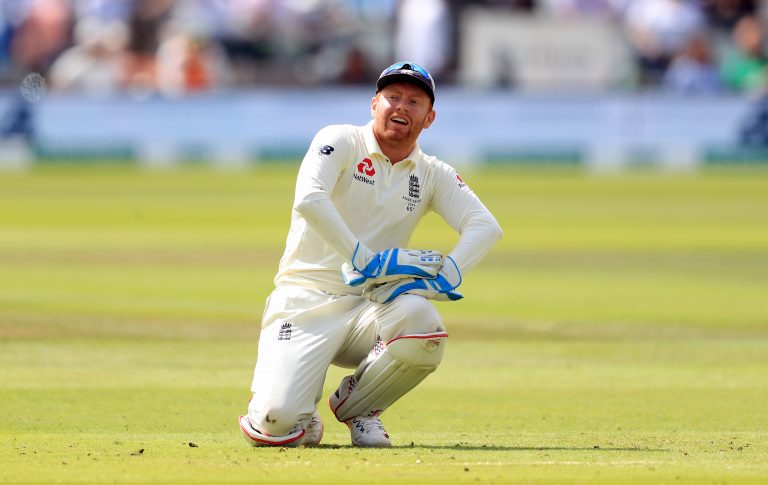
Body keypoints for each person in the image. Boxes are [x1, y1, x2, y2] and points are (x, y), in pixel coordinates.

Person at [238, 62, 503, 448]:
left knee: (422, 321)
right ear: (374, 103)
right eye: (392, 97)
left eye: (414, 102)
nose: (401, 107)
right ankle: (297, 408)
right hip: (305, 300)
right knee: (275, 425)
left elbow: (485, 225)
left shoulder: (430, 172)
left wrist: (447, 273)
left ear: (429, 118)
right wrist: (361, 258)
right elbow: (310, 199)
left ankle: (359, 407)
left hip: (369, 306)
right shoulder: (341, 140)